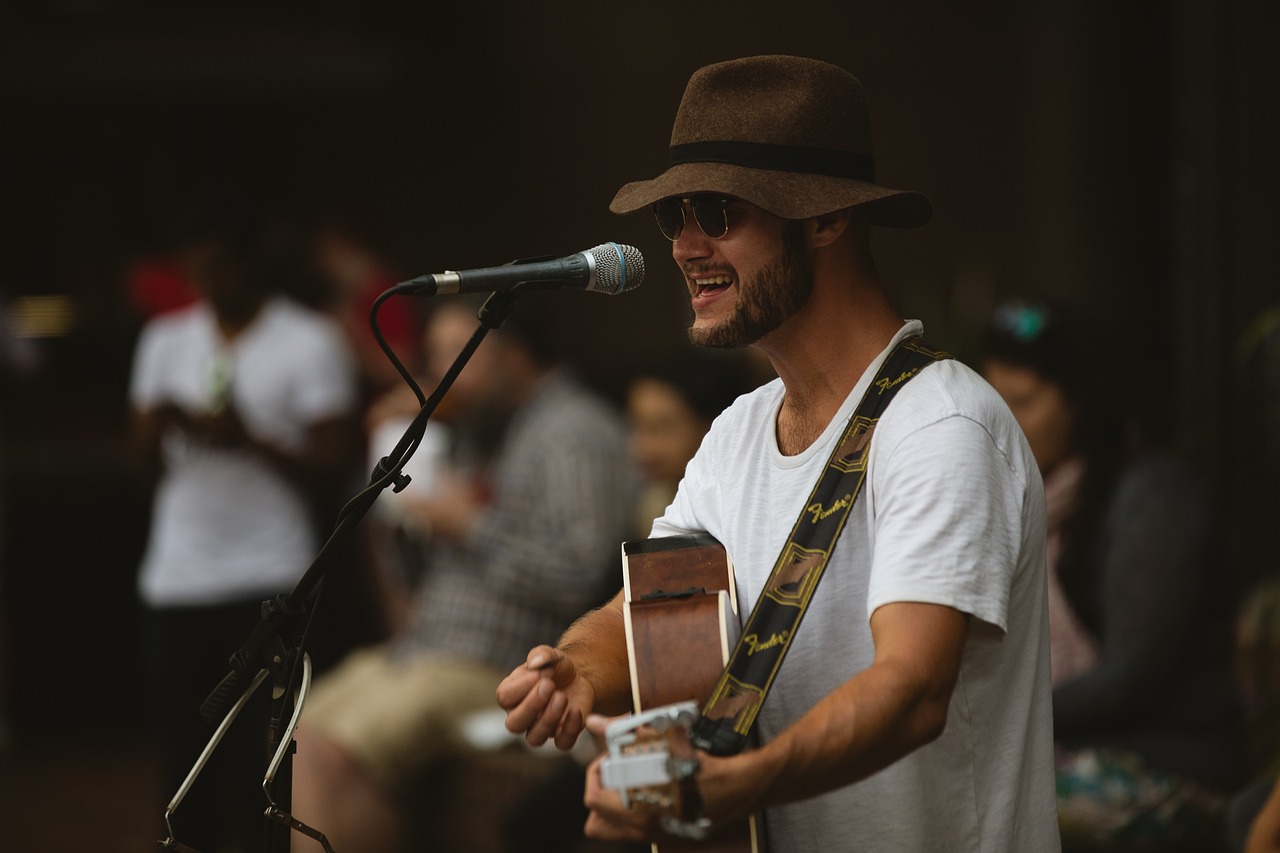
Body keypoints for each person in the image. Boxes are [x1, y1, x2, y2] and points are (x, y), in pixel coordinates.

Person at [497, 55, 1060, 852]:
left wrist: (740, 782)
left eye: (718, 212)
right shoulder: (736, 434)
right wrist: (576, 669)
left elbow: (913, 689)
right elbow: (657, 611)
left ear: (827, 217)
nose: (685, 246)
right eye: (675, 217)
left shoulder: (943, 427)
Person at [290, 296, 640, 852]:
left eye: (461, 354)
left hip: (499, 662)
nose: (439, 375)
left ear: (516, 355)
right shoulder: (479, 429)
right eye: (434, 355)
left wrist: (469, 525)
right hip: (425, 649)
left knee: (331, 750)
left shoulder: (574, 430)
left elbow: (581, 573)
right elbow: (410, 572)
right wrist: (390, 460)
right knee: (294, 737)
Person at [129, 190, 362, 852]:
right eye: (196, 268)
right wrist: (151, 433)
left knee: (266, 765)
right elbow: (142, 470)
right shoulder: (165, 339)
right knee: (184, 758)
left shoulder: (308, 339)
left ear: (251, 260)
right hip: (177, 578)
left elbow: (335, 469)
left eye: (221, 265)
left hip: (270, 579)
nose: (209, 282)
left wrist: (249, 437)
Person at [978, 298, 1247, 851]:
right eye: (994, 400)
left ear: (1079, 402)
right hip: (1074, 747)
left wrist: (993, 718)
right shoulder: (1031, 500)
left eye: (1024, 401)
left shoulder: (1153, 500)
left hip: (1169, 764)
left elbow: (1133, 679)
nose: (1003, 422)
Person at [625, 348, 759, 536]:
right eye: (637, 425)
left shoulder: (746, 507)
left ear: (714, 423)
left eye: (662, 426)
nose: (643, 448)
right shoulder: (653, 503)